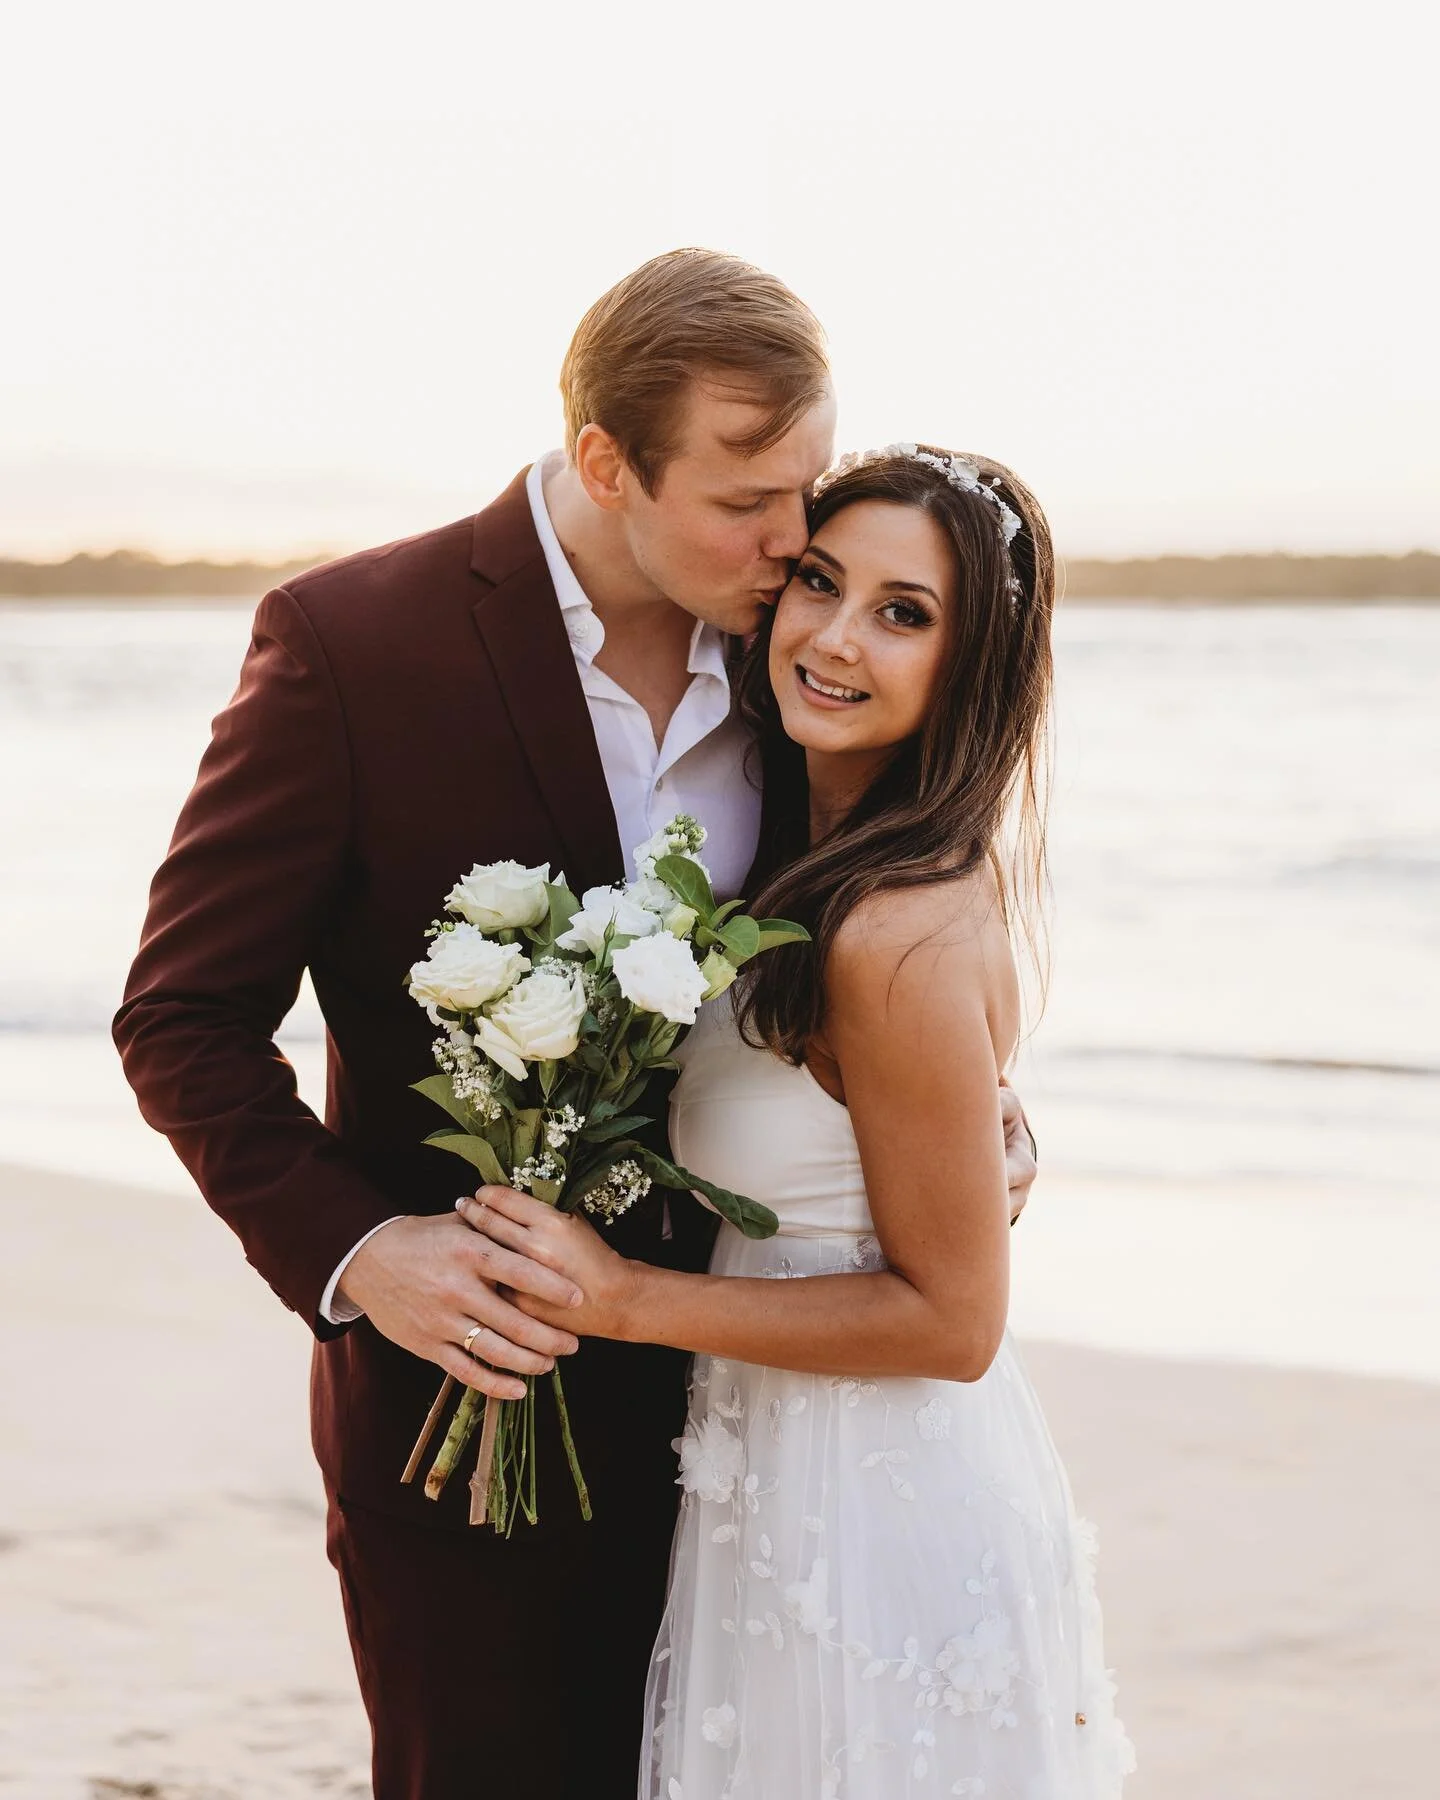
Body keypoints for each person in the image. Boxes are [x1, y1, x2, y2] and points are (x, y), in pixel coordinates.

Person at [113, 253, 1039, 1800]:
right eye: (748, 500)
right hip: (472, 1415)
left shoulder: (793, 651)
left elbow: (877, 972)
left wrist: (982, 1126)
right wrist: (364, 1256)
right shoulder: (354, 644)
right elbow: (183, 1017)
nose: (791, 545)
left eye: (805, 492)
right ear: (608, 464)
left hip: (771, 1428)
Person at [456, 445, 1135, 1796]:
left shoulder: (891, 928)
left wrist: (621, 1298)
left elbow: (953, 1322)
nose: (832, 638)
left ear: (973, 665)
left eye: (904, 613)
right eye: (820, 582)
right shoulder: (806, 865)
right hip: (782, 1465)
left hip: (880, 1506)